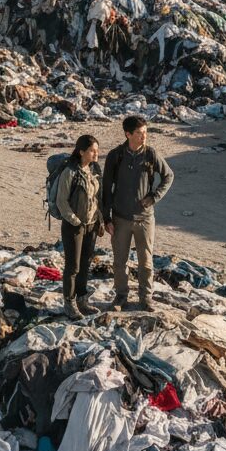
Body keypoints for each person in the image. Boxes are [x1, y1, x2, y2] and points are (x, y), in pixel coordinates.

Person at [101, 116, 174, 312]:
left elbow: (168, 175)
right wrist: (106, 218)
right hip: (120, 218)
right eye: (140, 133)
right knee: (119, 262)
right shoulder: (115, 156)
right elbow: (106, 188)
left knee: (146, 262)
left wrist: (154, 196)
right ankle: (121, 297)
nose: (144, 137)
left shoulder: (150, 154)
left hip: (145, 219)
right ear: (128, 134)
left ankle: (146, 298)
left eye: (145, 133)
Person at [56, 133, 104, 320]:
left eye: (97, 151)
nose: (96, 154)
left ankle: (82, 300)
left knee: (85, 264)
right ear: (82, 151)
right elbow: (62, 201)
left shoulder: (94, 170)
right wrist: (75, 221)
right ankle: (69, 303)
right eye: (92, 151)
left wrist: (99, 220)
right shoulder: (69, 172)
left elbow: (96, 199)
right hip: (73, 226)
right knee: (73, 266)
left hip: (91, 225)